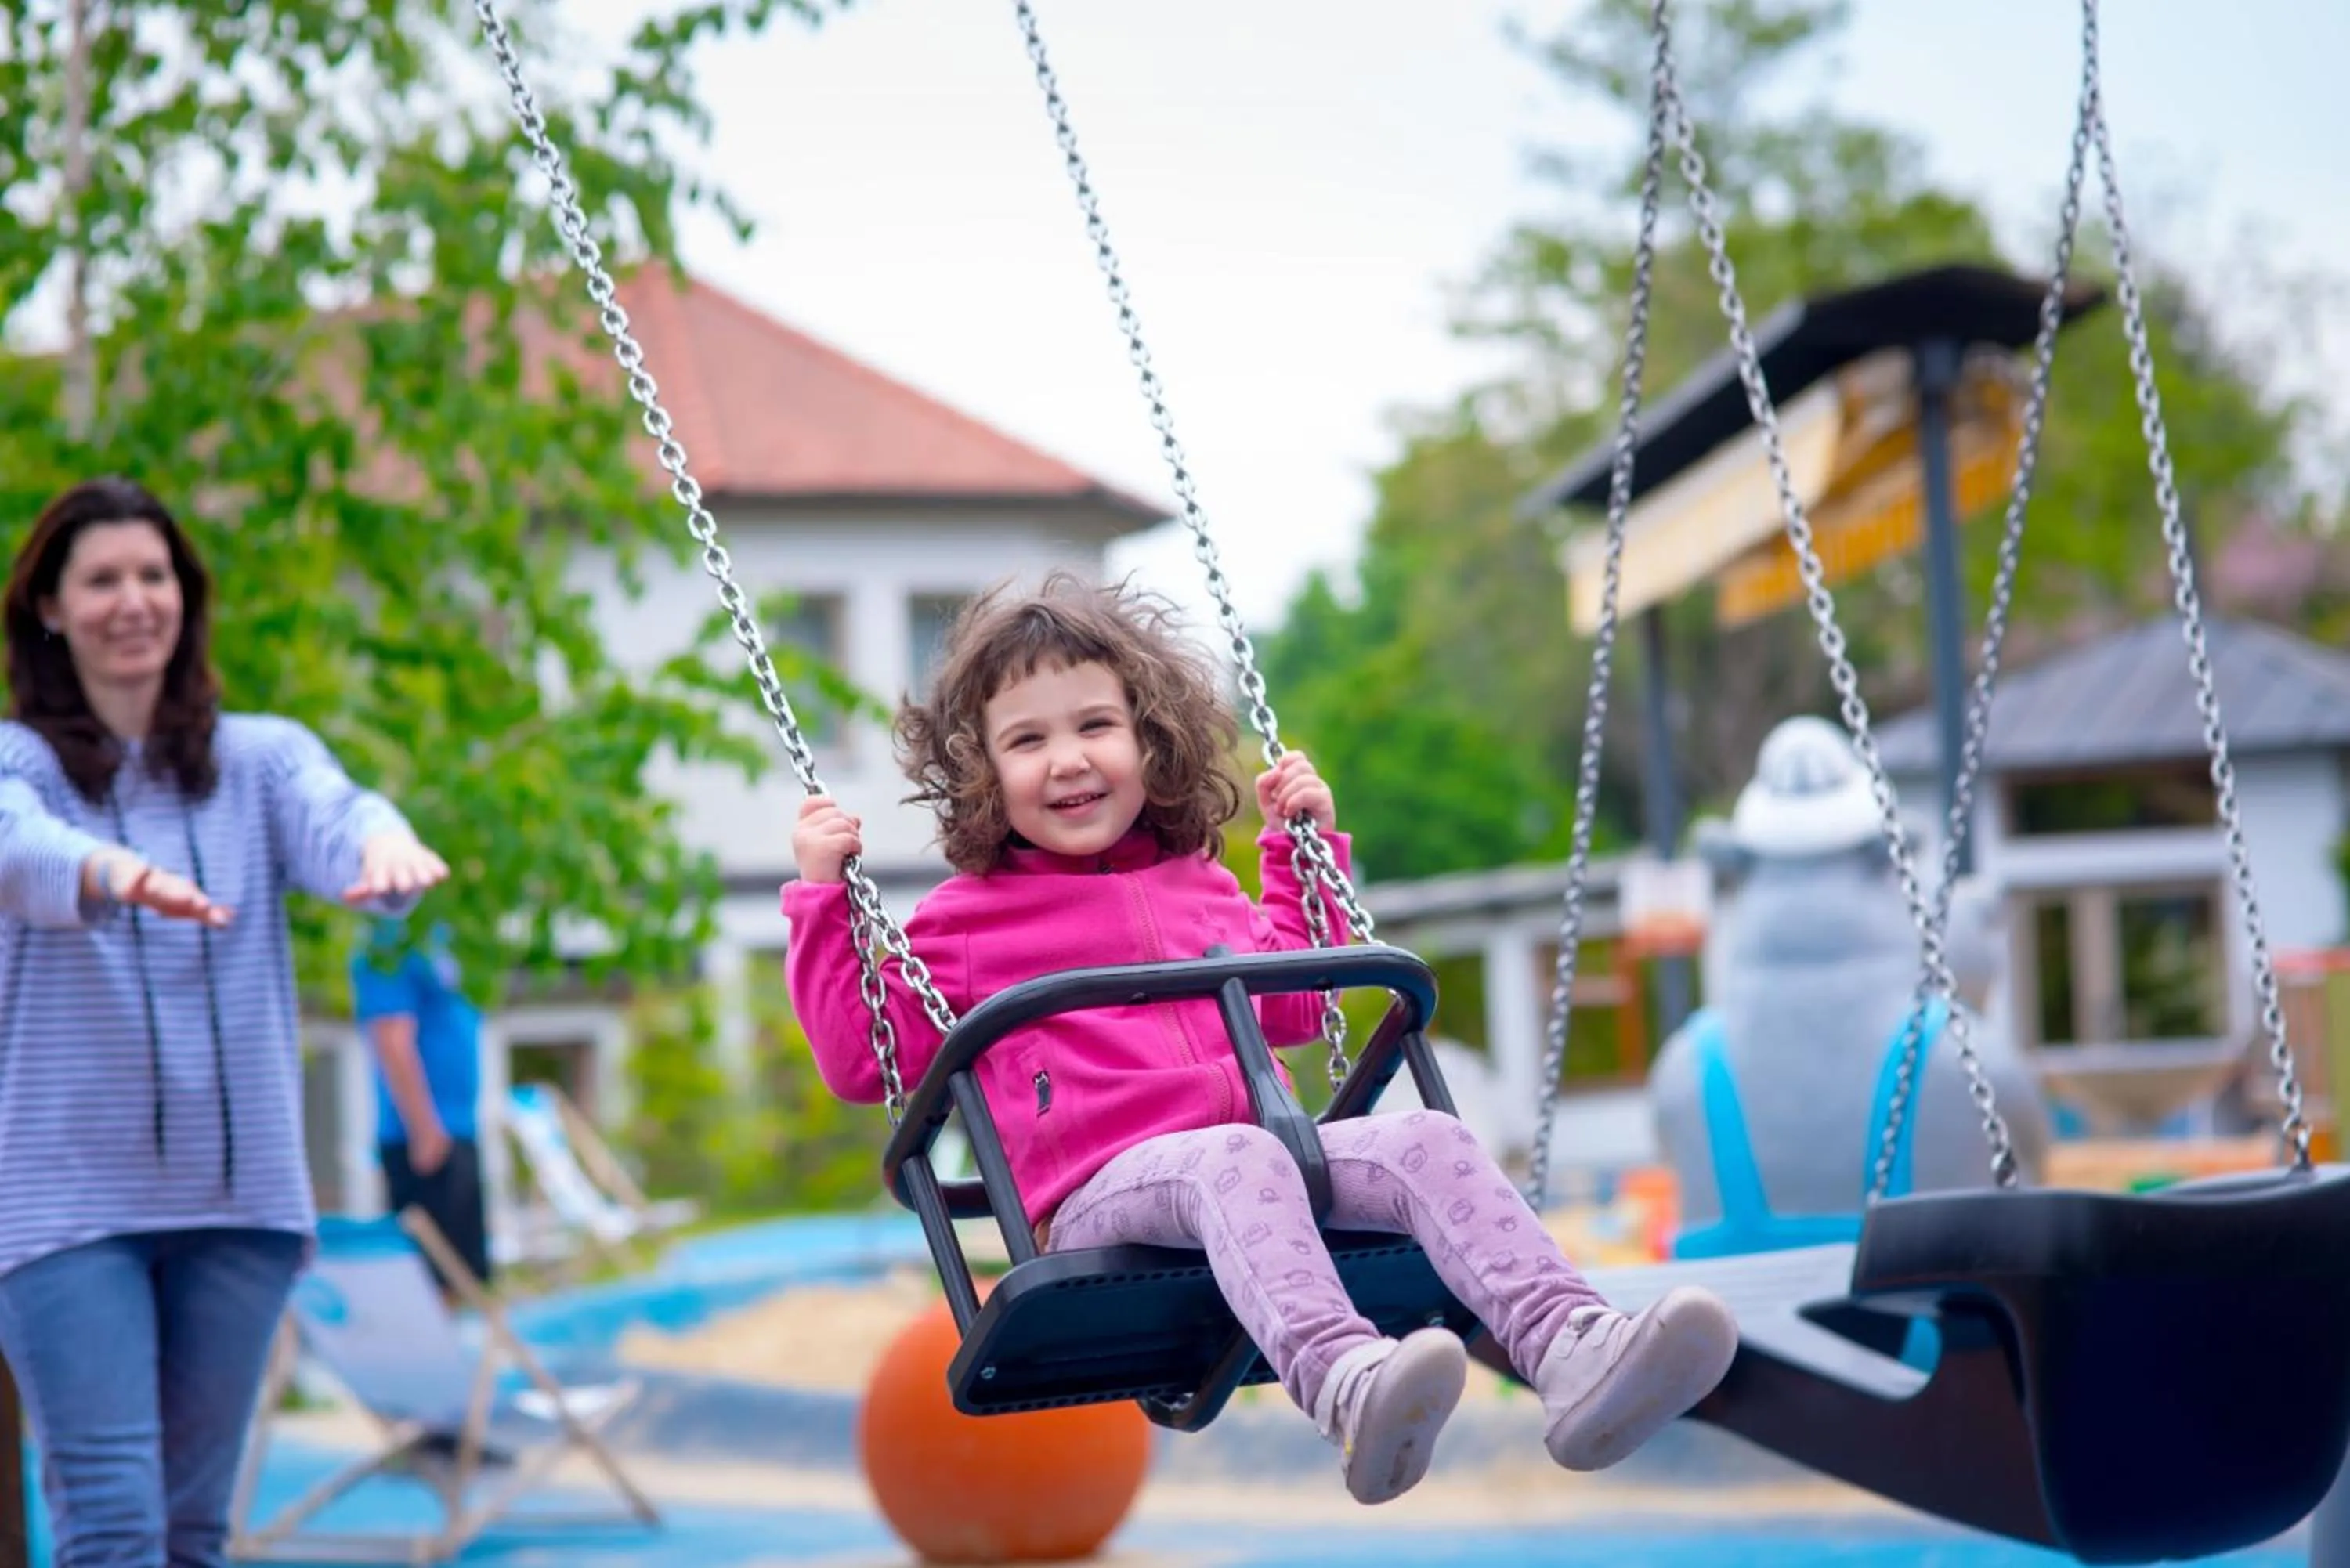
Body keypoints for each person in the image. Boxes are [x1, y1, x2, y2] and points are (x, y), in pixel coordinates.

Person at [783, 573, 1736, 1506]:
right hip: (1095, 1198)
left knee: (1426, 1139)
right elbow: (866, 1061)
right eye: (1027, 740)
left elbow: (1295, 1000)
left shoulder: (1200, 882)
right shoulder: (967, 920)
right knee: (1232, 1156)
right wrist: (827, 904)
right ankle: (1349, 1387)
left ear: (1150, 741)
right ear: (984, 773)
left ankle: (1572, 1348)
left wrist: (1300, 851)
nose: (1067, 759)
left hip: (1266, 1161)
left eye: (1095, 726)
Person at [0, 476, 450, 1566]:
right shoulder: (21, 763)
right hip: (69, 1208)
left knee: (196, 1534)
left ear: (185, 597)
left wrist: (383, 851)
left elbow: (341, 812)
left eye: (153, 574)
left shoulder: (258, 757)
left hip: (238, 1205)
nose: (133, 599)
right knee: (112, 1527)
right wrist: (112, 870)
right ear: (51, 607)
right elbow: (17, 848)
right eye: (101, 578)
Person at [351, 919, 492, 1294]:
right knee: (430, 1281)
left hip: (457, 1129)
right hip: (422, 1136)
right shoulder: (388, 943)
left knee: (467, 1278)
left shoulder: (450, 933)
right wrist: (423, 1128)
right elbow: (391, 1037)